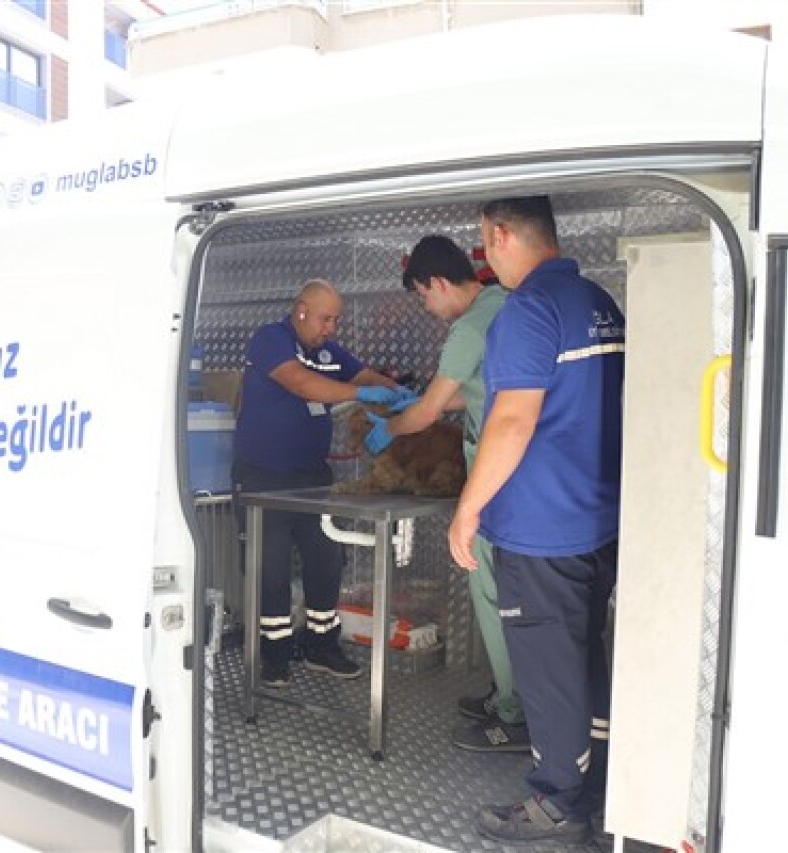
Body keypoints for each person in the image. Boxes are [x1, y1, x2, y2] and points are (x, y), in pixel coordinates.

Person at [447, 197, 624, 845]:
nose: (487, 256)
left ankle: (557, 800)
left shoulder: (529, 308)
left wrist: (468, 507)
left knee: (549, 672)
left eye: (484, 242)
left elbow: (513, 419)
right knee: (583, 656)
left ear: (500, 235)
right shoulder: (598, 301)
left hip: (542, 528)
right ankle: (597, 778)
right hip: (597, 519)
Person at [361, 235, 527, 754]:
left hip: (495, 483)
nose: (427, 307)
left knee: (493, 595)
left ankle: (515, 712)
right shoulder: (504, 303)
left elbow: (429, 414)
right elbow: (477, 390)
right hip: (525, 478)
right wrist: (419, 399)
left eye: (423, 296)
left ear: (436, 283)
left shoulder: (467, 328)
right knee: (517, 598)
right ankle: (510, 694)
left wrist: (392, 424)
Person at [235, 278, 414, 689]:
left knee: (327, 559)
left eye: (335, 320)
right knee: (270, 569)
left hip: (312, 478)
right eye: (325, 319)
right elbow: (302, 383)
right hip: (264, 478)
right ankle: (274, 654)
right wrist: (363, 393)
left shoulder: (328, 352)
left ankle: (321, 645)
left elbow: (365, 374)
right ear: (301, 310)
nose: (331, 328)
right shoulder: (271, 340)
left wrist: (401, 394)